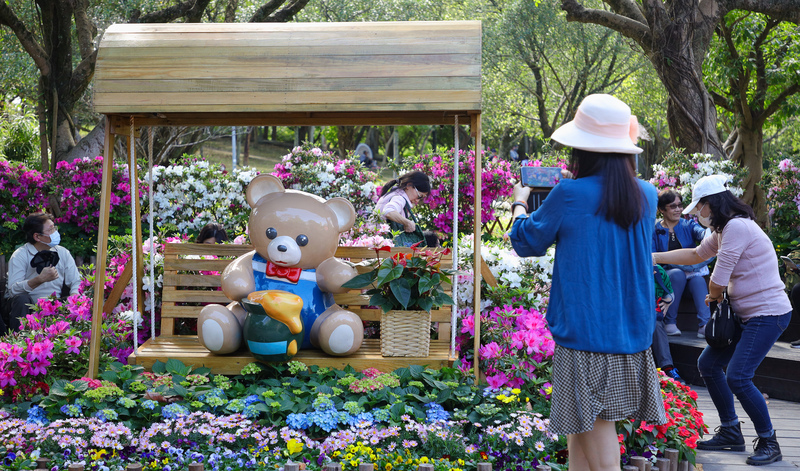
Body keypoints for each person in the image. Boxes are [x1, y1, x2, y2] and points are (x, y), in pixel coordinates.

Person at [509, 94, 666, 471]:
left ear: (583, 148)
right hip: (630, 329)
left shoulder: (569, 193)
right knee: (581, 433)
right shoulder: (646, 193)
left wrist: (519, 203)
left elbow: (525, 242)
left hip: (585, 332)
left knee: (596, 430)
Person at [653, 174, 791, 466]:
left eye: (699, 206)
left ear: (712, 204)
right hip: (746, 314)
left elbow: (719, 276)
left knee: (738, 376)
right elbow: (695, 254)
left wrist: (714, 294)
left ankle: (769, 441)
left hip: (768, 314)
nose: (696, 213)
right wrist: (651, 256)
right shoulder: (724, 230)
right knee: (708, 364)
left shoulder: (738, 228)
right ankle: (730, 431)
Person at [1, 213, 81, 335]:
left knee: (72, 300)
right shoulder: (20, 255)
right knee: (21, 299)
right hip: (27, 308)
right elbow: (13, 290)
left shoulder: (63, 253)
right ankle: (18, 342)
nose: (55, 232)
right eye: (51, 229)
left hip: (54, 306)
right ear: (37, 236)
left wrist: (74, 299)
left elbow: (76, 282)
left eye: (54, 228)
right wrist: (39, 279)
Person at [653, 188, 713, 337]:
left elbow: (701, 233)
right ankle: (670, 322)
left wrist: (708, 233)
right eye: (673, 206)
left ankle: (704, 325)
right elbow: (653, 259)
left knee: (698, 280)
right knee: (678, 274)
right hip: (668, 281)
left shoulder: (688, 225)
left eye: (680, 205)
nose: (678, 209)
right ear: (661, 209)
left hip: (691, 276)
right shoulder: (654, 230)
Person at [375, 171, 431, 247]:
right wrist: (407, 223)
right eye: (419, 196)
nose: (417, 200)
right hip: (381, 246)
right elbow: (388, 211)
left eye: (421, 198)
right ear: (408, 186)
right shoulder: (399, 198)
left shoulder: (394, 193)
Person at [652, 264, 684, 383]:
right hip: (627, 316)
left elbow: (669, 294)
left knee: (656, 324)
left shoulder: (658, 271)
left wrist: (667, 301)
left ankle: (667, 368)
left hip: (650, 316)